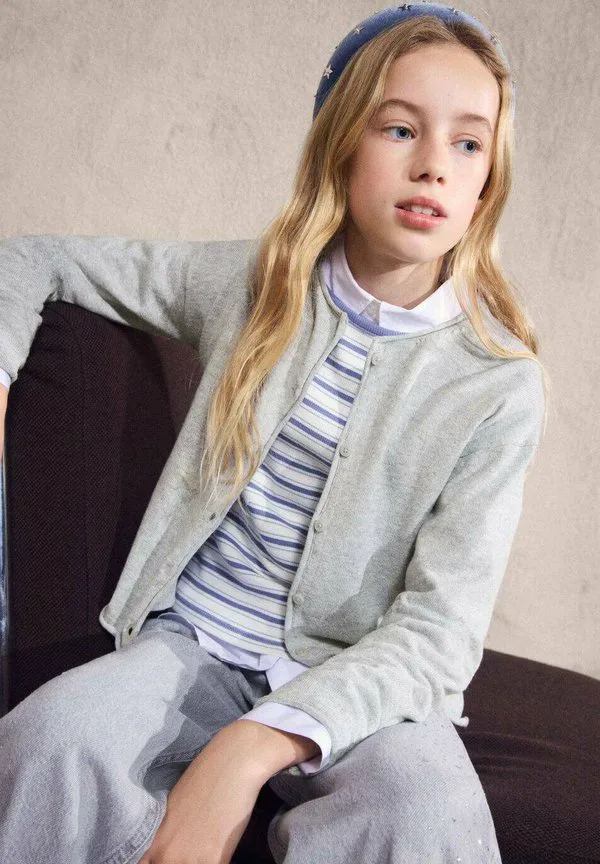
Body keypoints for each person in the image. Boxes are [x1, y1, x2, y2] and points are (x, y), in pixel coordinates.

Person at [0, 3, 550, 863]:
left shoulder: (497, 384)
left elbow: (439, 635)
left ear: (488, 184)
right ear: (341, 146)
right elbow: (38, 256)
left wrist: (248, 748)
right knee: (49, 739)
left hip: (364, 683)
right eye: (400, 128)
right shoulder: (254, 286)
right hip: (187, 645)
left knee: (427, 810)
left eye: (468, 143)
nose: (435, 165)